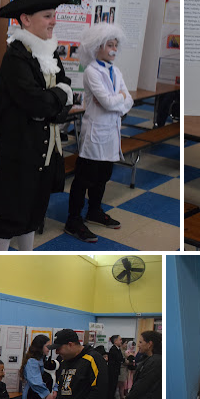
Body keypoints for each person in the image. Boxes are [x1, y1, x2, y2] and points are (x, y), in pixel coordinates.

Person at [0, 0, 75, 251]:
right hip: (20, 151)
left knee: (34, 213)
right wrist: (57, 98)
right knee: (10, 216)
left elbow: (65, 90)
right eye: (47, 16)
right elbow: (37, 102)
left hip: (45, 151)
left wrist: (54, 103)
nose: (53, 21)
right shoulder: (17, 56)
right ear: (26, 19)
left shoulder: (48, 51)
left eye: (54, 15)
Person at [66, 22, 132, 243]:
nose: (114, 49)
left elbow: (126, 100)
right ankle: (73, 220)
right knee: (84, 178)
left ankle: (94, 211)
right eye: (109, 45)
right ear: (97, 47)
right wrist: (119, 99)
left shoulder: (116, 70)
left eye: (116, 45)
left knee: (103, 176)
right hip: (95, 133)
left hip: (111, 133)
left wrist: (119, 100)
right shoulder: (92, 72)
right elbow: (107, 102)